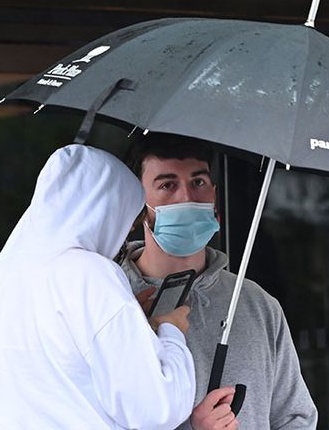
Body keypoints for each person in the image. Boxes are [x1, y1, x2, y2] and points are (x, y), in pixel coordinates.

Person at [0, 144, 197, 429]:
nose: (123, 236)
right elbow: (157, 410)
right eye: (127, 221)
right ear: (107, 210)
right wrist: (171, 334)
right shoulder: (91, 274)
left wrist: (130, 322)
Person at [119, 134, 318, 430]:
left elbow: (296, 418)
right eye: (167, 185)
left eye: (197, 182)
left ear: (215, 195)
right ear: (137, 203)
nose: (186, 197)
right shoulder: (109, 300)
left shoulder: (258, 304)